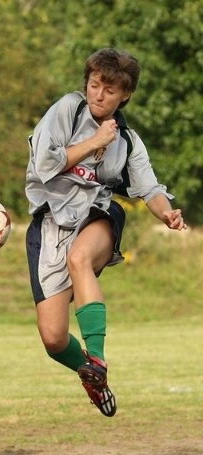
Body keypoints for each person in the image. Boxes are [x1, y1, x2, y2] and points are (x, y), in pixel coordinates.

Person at [25, 48, 187, 417]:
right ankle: (91, 376)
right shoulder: (67, 109)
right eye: (94, 85)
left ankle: (96, 358)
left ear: (125, 95)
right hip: (50, 222)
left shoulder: (128, 140)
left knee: (80, 258)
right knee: (53, 339)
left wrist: (168, 214)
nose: (98, 94)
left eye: (109, 90)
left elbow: (150, 188)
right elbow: (45, 164)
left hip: (95, 215)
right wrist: (94, 143)